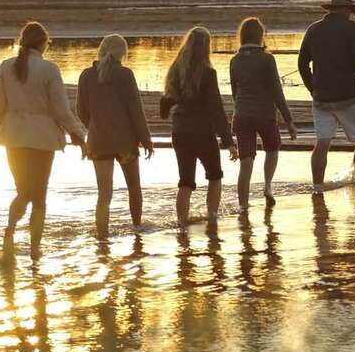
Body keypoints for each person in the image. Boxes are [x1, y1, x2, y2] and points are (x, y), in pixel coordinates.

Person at [0, 21, 86, 263]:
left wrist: (8, 124)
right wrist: (79, 134)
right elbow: (62, 111)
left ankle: (9, 233)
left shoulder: (5, 67)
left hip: (13, 136)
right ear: (44, 43)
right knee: (39, 193)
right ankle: (35, 249)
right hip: (42, 138)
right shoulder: (49, 70)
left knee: (22, 190)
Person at [76, 34, 154, 229]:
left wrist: (94, 126)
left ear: (101, 50)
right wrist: (146, 140)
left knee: (104, 193)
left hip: (98, 142)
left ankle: (102, 237)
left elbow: (80, 110)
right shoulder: (126, 75)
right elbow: (135, 111)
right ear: (123, 54)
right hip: (125, 143)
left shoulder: (86, 75)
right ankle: (137, 228)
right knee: (134, 187)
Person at [159, 26, 236, 224]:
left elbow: (164, 106)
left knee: (185, 182)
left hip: (180, 133)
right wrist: (229, 141)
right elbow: (216, 109)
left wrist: (169, 110)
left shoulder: (175, 71)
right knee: (215, 175)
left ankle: (181, 225)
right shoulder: (208, 73)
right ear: (206, 48)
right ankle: (212, 220)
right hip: (202, 132)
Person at [297, 0, 355, 187]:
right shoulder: (351, 28)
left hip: (321, 98)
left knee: (322, 143)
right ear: (347, 9)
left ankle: (317, 187)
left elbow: (302, 63)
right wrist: (352, 71)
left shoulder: (313, 29)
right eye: (349, 11)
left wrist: (313, 89)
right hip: (349, 96)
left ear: (331, 9)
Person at [229, 16, 297, 212]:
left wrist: (240, 108)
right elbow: (277, 91)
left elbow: (235, 92)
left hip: (241, 114)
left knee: (246, 162)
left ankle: (243, 206)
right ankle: (267, 186)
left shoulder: (235, 60)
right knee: (273, 148)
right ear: (261, 36)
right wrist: (289, 120)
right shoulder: (267, 59)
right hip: (265, 114)